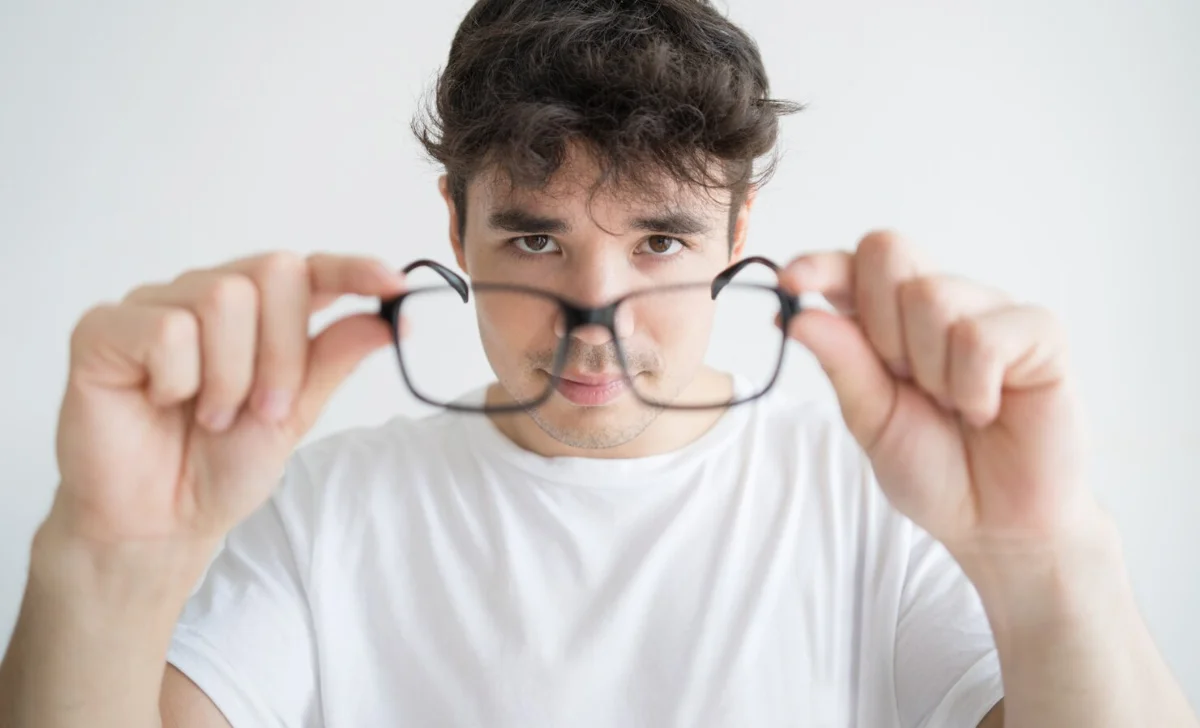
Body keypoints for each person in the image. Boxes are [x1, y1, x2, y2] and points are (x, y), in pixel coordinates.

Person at [0, 0, 1195, 726]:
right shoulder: (314, 508)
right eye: (535, 237)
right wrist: (102, 559)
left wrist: (1049, 561)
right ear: (454, 225)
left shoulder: (887, 510)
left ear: (738, 234)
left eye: (661, 239)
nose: (594, 312)